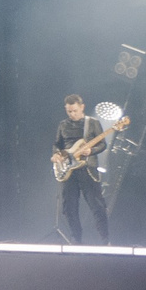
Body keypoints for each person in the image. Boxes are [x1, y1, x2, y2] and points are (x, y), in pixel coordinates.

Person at [54, 92, 112, 245]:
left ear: (82, 107)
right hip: (68, 171)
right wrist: (56, 155)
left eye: (75, 110)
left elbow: (102, 144)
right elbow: (57, 145)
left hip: (88, 169)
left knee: (97, 206)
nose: (72, 114)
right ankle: (76, 241)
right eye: (69, 111)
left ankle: (105, 240)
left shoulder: (92, 123)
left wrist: (91, 150)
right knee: (69, 208)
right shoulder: (63, 125)